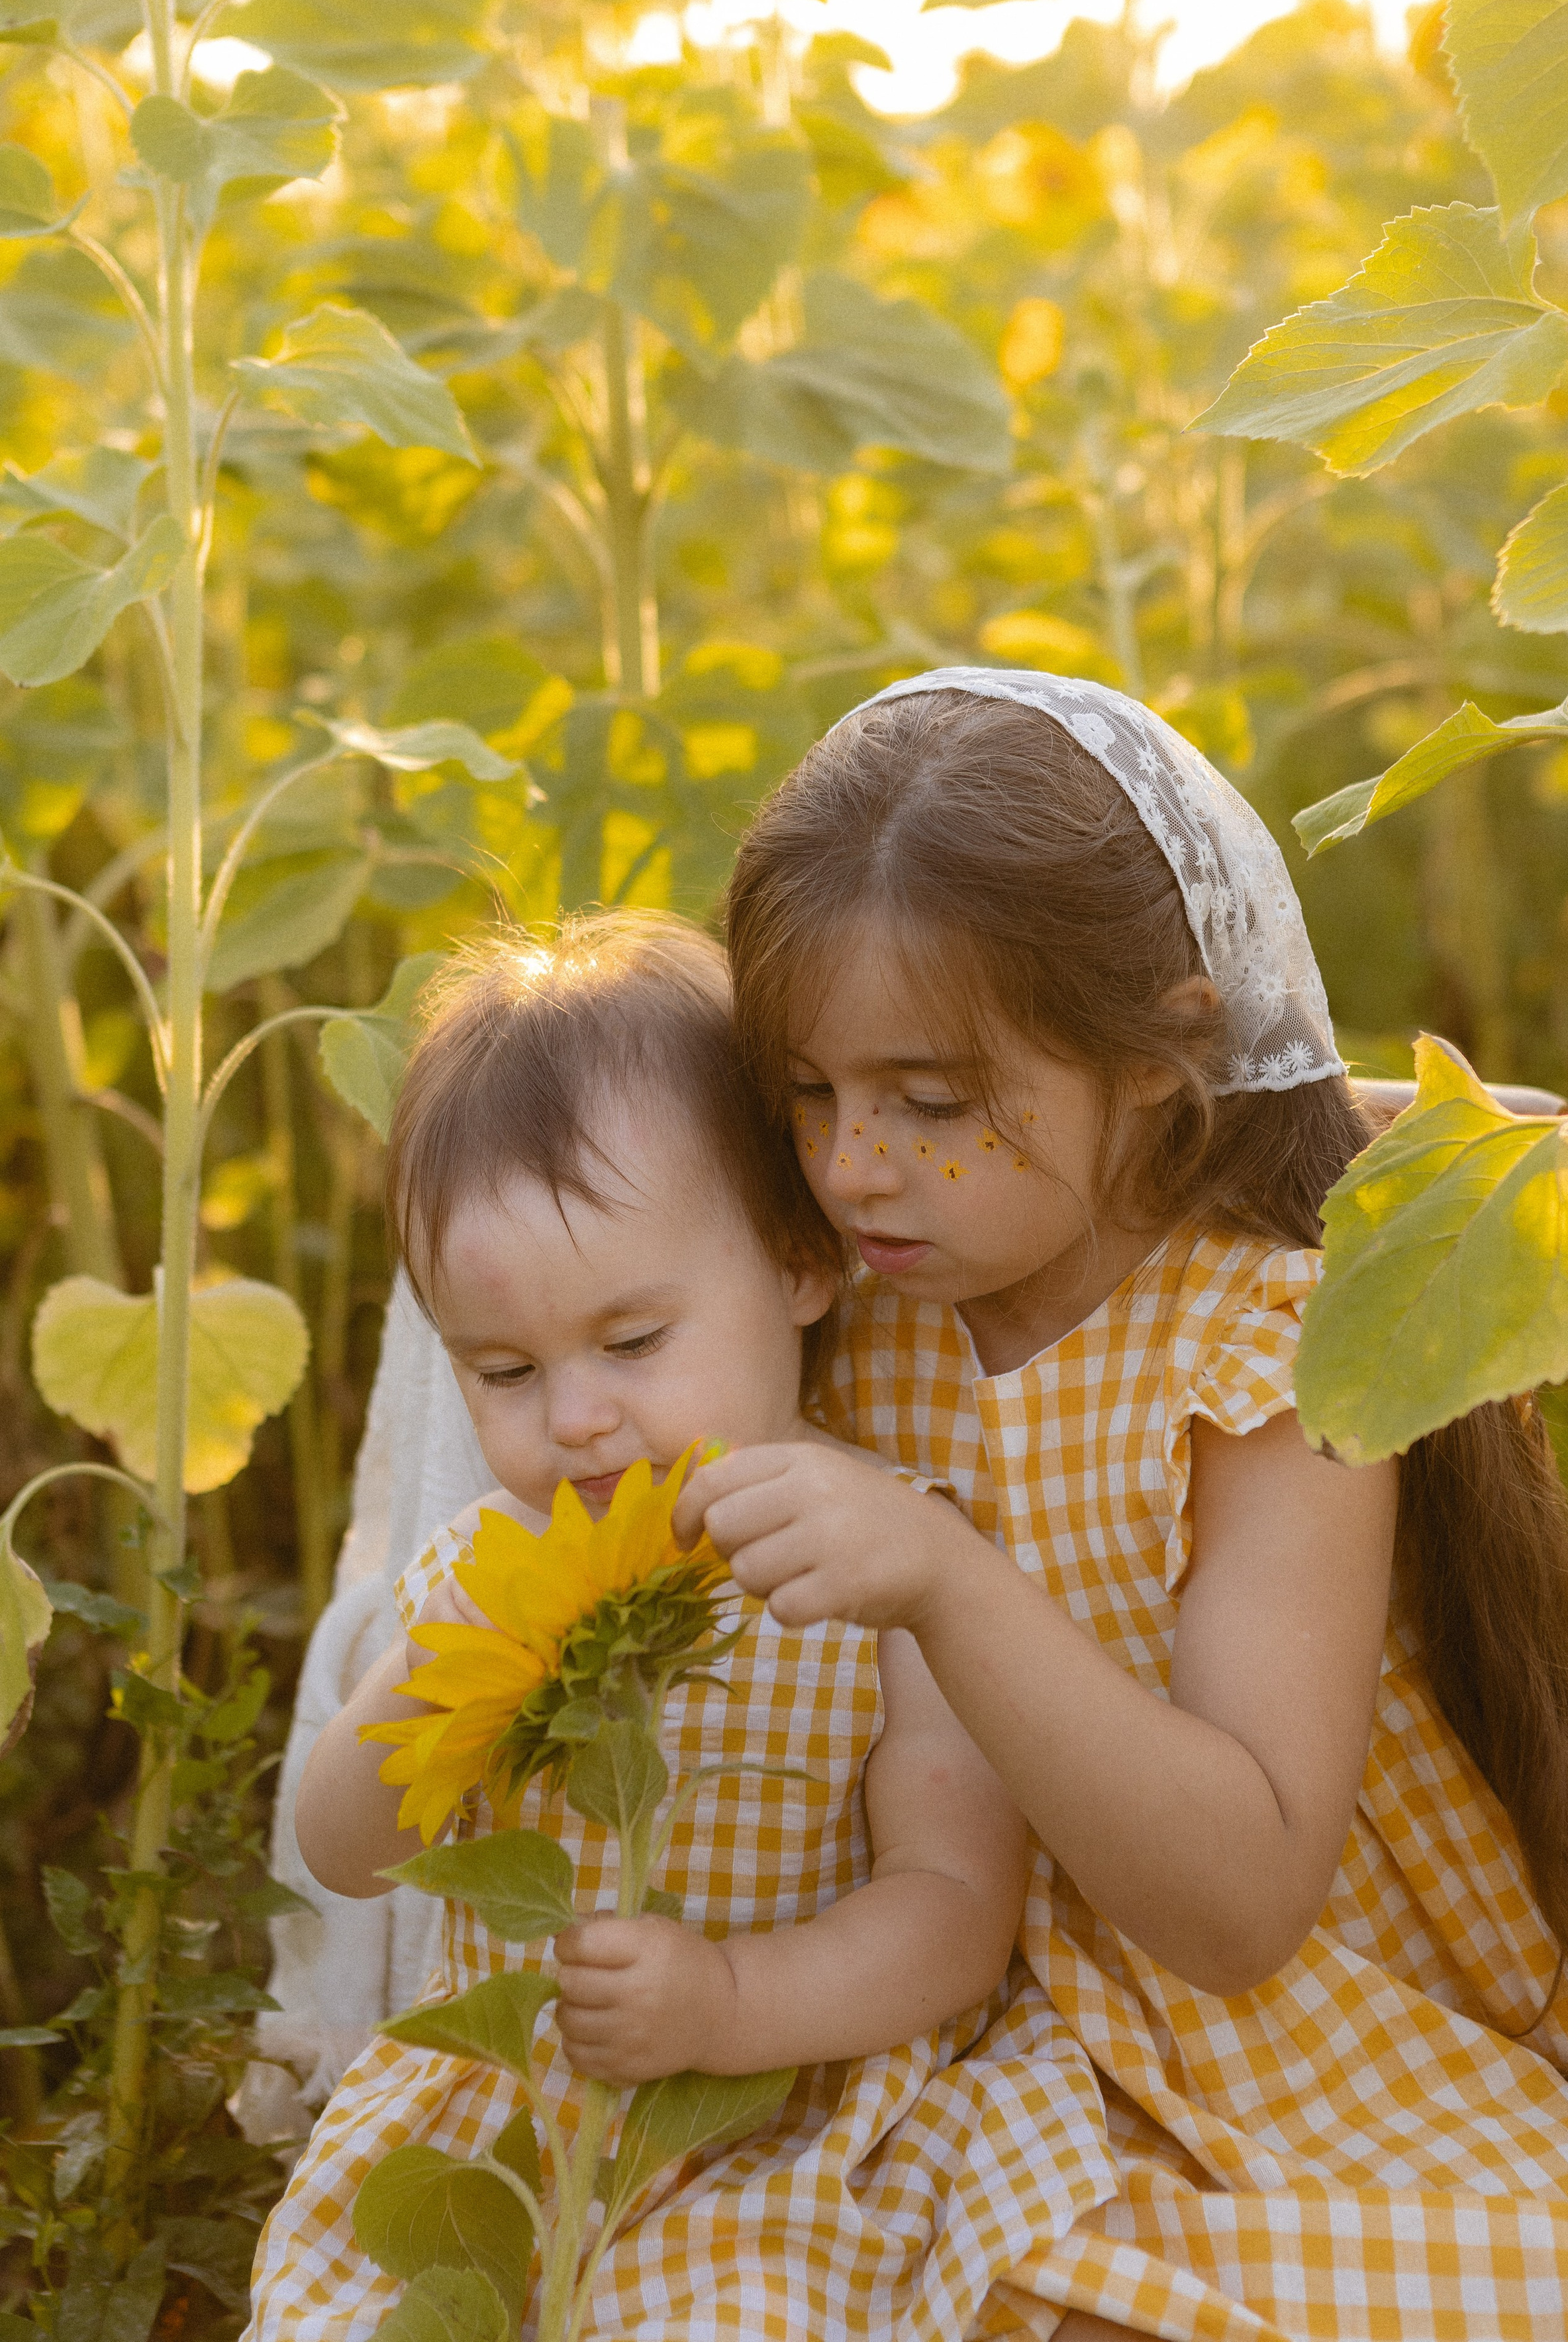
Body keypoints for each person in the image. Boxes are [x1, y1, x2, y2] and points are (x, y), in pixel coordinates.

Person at [676, 667, 1568, 2341]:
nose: (854, 1163)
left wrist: (942, 1575)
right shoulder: (856, 1282)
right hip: (956, 1995)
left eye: (929, 1102)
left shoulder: (1266, 1363)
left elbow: (1238, 1908)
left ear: (1165, 1054)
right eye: (805, 1093)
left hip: (1307, 2051)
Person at [245, 914, 1116, 2341]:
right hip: (505, 2128)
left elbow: (955, 1912)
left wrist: (725, 2003)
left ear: (797, 1264)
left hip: (776, 2116)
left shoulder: (886, 1558)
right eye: (505, 1369)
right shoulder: (497, 1567)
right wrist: (445, 1667)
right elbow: (345, 1851)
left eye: (632, 1343)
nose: (575, 1416)